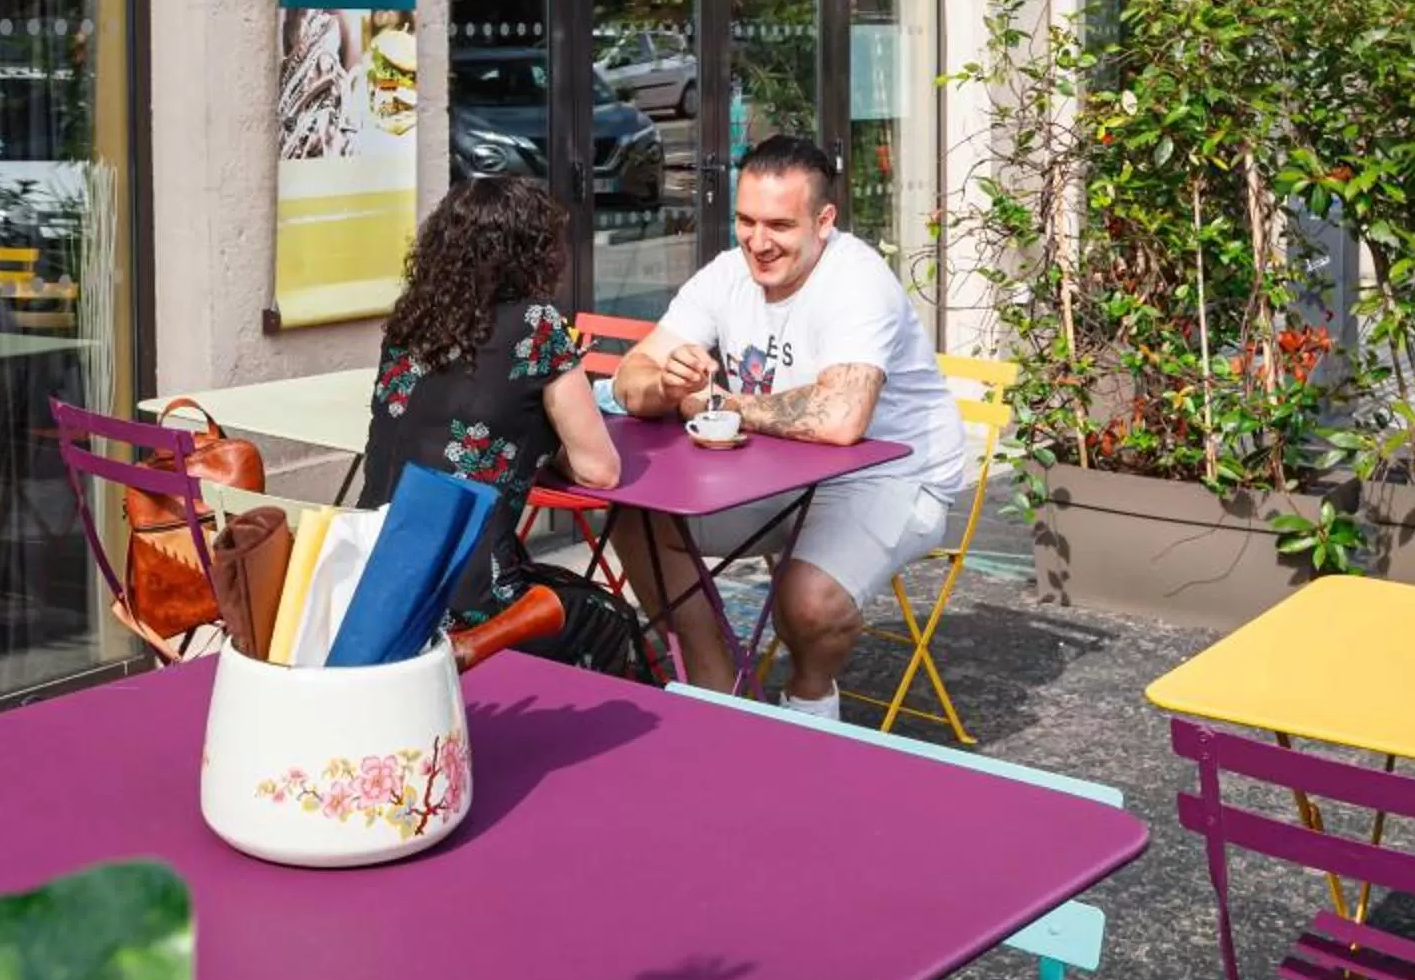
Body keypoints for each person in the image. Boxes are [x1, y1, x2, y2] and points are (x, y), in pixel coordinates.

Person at [611, 134, 969, 715]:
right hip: (778, 472)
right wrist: (665, 384)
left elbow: (840, 418)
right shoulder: (727, 274)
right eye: (745, 221)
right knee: (637, 518)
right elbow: (633, 374)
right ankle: (719, 693)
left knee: (805, 602)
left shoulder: (856, 280)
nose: (758, 241)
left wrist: (716, 404)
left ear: (823, 221)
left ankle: (810, 700)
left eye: (779, 225)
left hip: (894, 473)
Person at [356, 176, 654, 679]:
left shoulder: (410, 321)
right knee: (614, 619)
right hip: (468, 599)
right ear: (533, 252)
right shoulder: (538, 326)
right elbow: (599, 471)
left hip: (370, 577)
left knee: (558, 586)